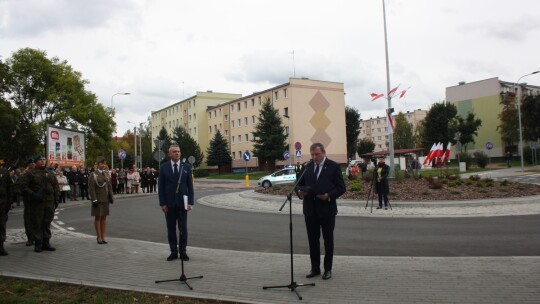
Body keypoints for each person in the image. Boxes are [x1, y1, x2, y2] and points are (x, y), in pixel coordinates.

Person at [295, 143, 345, 280]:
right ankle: (315, 268)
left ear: (323, 152)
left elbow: (341, 188)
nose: (314, 157)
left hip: (327, 210)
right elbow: (298, 183)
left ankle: (327, 269)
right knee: (313, 240)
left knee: (328, 241)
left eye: (317, 154)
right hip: (310, 210)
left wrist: (328, 195)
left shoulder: (334, 166)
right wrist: (299, 192)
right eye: (312, 154)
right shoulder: (307, 166)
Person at [158, 145, 194, 262]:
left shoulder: (186, 167)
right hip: (169, 204)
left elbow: (190, 187)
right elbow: (161, 187)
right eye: (174, 152)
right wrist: (163, 203)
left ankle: (183, 251)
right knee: (171, 229)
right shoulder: (164, 168)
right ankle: (173, 251)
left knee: (183, 228)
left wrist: (190, 202)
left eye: (178, 151)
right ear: (170, 154)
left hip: (182, 203)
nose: (177, 153)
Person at [21, 155, 60, 253]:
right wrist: (33, 194)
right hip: (37, 202)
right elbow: (23, 187)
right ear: (36, 162)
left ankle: (46, 242)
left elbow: (55, 186)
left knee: (47, 222)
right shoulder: (30, 173)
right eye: (40, 160)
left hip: (49, 202)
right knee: (37, 222)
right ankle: (38, 243)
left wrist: (56, 199)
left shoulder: (49, 173)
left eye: (44, 159)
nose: (42, 161)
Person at [88, 157, 114, 244]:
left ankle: (103, 236)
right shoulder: (94, 174)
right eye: (101, 163)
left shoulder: (106, 173)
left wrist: (111, 196)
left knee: (104, 218)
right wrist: (94, 199)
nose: (103, 165)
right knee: (98, 218)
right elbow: (91, 188)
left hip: (105, 198)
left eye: (104, 163)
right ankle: (98, 237)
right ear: (98, 164)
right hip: (98, 199)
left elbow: (109, 185)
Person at [0, 163, 14, 256]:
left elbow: (10, 187)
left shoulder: (4, 172)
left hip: (2, 204)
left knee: (1, 225)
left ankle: (0, 246)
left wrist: (10, 202)